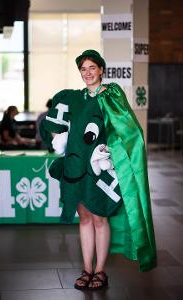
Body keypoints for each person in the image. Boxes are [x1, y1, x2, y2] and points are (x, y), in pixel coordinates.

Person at [40, 49, 157, 291]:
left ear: (102, 69)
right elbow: (58, 125)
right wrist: (61, 140)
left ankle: (101, 270)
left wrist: (110, 150)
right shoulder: (75, 98)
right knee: (83, 217)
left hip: (101, 170)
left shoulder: (111, 96)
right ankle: (87, 268)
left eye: (92, 68)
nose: (87, 73)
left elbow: (130, 133)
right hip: (77, 169)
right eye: (83, 69)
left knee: (99, 218)